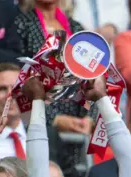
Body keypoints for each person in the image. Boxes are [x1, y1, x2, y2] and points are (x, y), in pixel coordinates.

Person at [14, 0, 95, 136]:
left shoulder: (76, 28)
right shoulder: (20, 24)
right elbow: (19, 78)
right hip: (39, 120)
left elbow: (92, 76)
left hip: (79, 122)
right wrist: (55, 119)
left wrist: (89, 118)